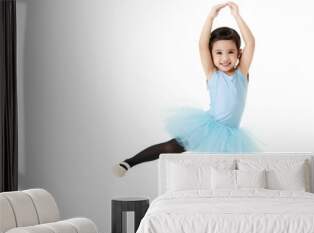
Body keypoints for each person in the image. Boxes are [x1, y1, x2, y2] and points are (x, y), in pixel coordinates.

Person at [113, 2, 265, 177]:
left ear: (239, 53)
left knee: (226, 170)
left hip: (231, 136)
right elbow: (201, 45)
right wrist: (211, 17)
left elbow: (251, 43)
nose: (225, 58)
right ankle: (128, 163)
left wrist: (237, 16)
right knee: (172, 147)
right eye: (219, 52)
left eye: (230, 52)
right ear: (211, 54)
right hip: (209, 127)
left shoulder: (241, 73)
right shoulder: (212, 74)